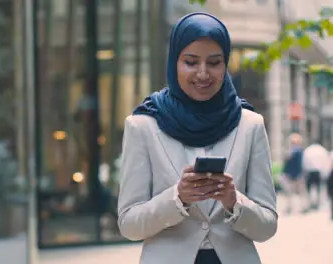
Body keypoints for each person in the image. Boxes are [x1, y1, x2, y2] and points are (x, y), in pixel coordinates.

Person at [117, 13, 277, 264]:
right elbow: (129, 225)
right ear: (174, 62)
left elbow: (268, 226)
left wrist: (234, 202)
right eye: (191, 62)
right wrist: (178, 198)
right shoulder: (142, 125)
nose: (203, 74)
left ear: (226, 65)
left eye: (214, 62)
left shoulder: (250, 124)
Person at [302, 141, 331, 212]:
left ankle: (310, 203)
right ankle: (317, 203)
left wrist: (304, 171)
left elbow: (304, 161)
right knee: (318, 189)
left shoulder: (308, 150)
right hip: (319, 172)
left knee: (309, 189)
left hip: (310, 171)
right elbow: (326, 161)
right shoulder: (322, 150)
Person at [280, 133, 304, 214]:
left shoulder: (295, 151)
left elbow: (290, 163)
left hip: (293, 175)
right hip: (294, 175)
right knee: (293, 193)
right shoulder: (297, 151)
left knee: (293, 193)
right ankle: (294, 208)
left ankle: (295, 208)